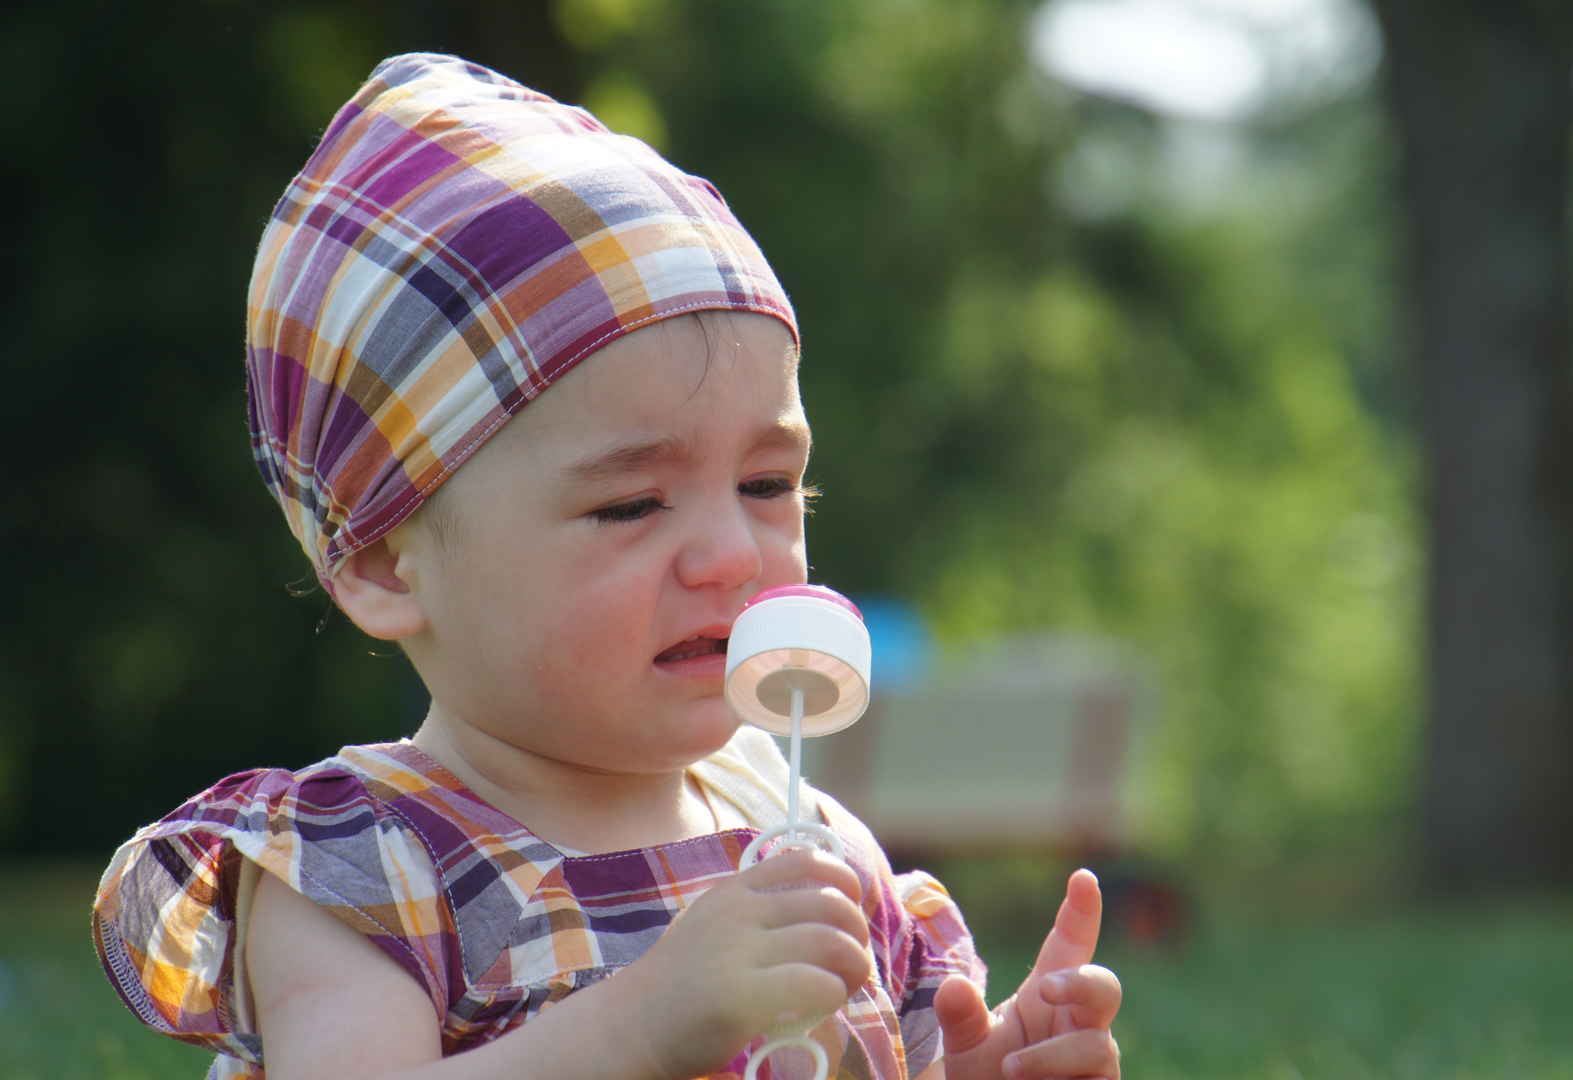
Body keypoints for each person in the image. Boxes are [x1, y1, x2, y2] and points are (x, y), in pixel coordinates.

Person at [92, 53, 1122, 1080]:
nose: (730, 553)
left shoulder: (810, 842)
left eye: (769, 485)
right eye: (631, 503)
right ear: (385, 568)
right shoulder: (366, 873)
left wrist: (990, 1067)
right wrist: (642, 1024)